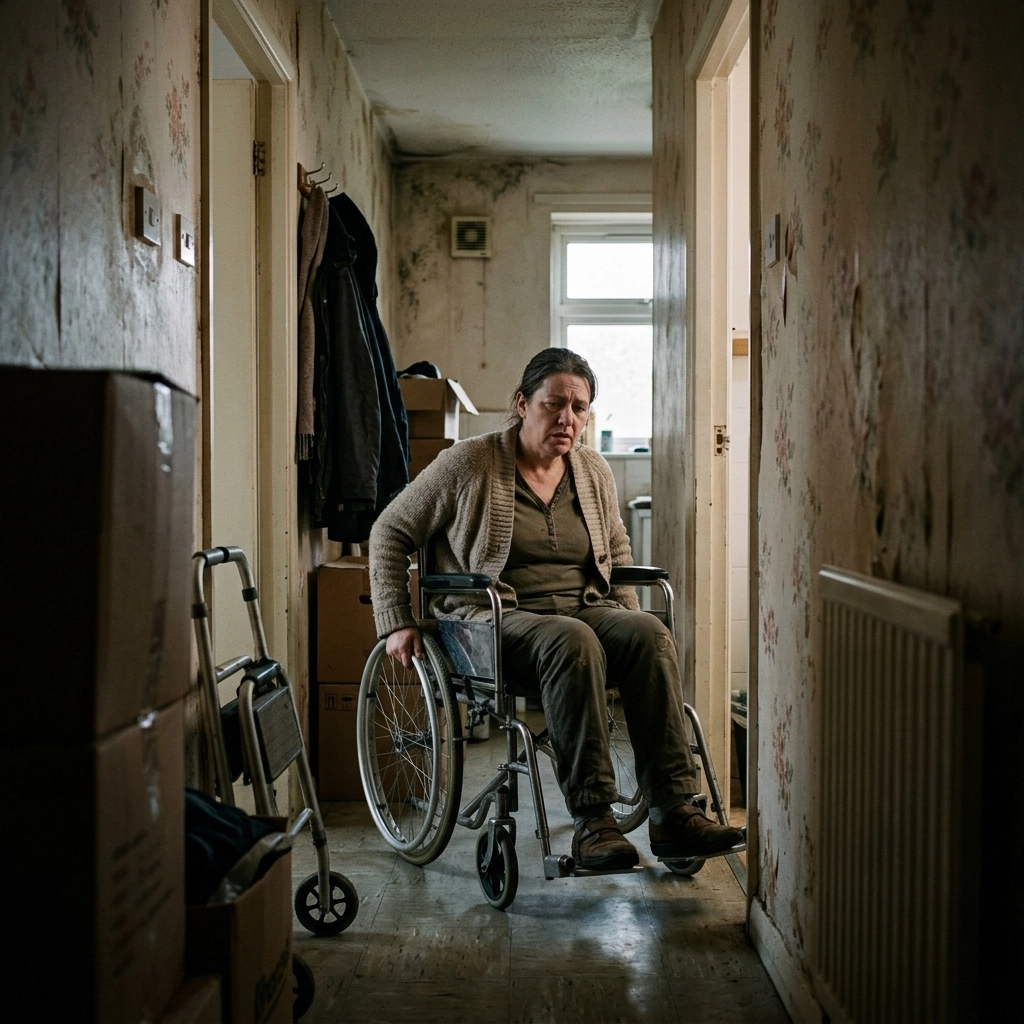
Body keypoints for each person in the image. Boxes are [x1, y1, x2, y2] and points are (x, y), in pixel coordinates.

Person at [369, 348, 744, 871]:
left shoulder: (591, 469)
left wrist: (629, 630)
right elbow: (389, 530)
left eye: (579, 407)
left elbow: (616, 554)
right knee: (572, 638)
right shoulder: (470, 462)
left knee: (649, 634)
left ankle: (673, 812)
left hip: (582, 614)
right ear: (522, 404)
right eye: (554, 404)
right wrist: (396, 621)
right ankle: (594, 821)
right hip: (493, 622)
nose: (567, 418)